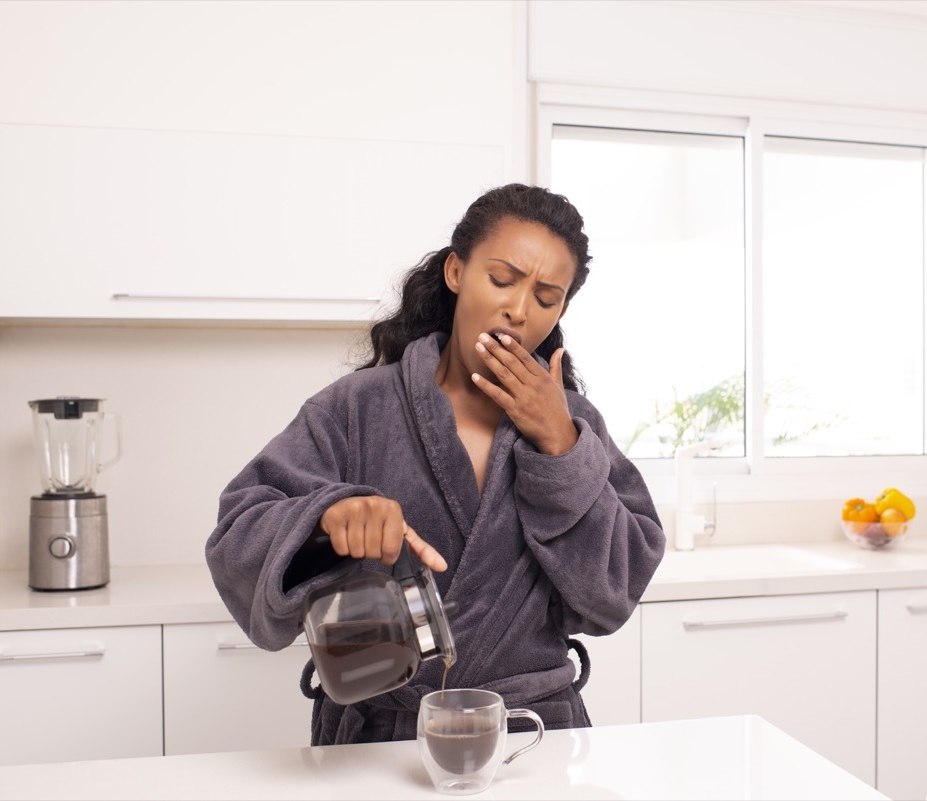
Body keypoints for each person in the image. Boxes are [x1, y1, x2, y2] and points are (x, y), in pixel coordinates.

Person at [206, 183, 666, 745]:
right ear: (456, 272)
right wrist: (327, 520)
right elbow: (236, 536)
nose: (519, 310)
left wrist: (561, 447)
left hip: (530, 736)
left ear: (562, 310)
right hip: (379, 738)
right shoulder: (357, 408)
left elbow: (615, 593)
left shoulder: (576, 425)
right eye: (502, 280)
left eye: (546, 298)